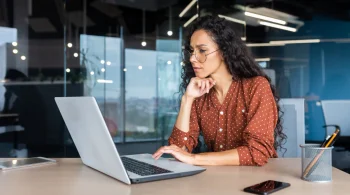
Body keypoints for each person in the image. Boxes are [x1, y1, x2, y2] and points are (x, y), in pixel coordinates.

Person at [152, 15, 286, 166]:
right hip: (217, 180)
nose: (192, 58)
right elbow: (179, 149)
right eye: (192, 51)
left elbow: (257, 152)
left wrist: (195, 158)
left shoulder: (256, 87)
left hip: (257, 181)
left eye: (202, 50)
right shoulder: (200, 94)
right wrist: (187, 99)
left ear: (223, 51)